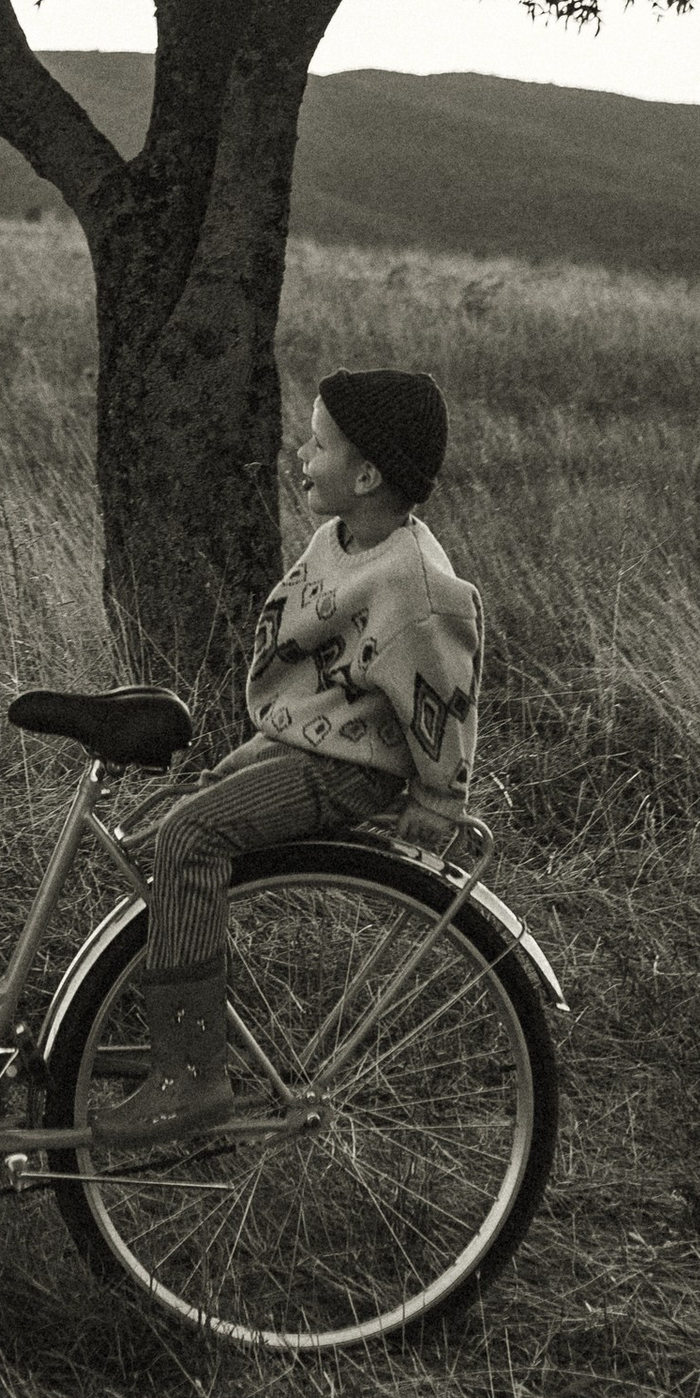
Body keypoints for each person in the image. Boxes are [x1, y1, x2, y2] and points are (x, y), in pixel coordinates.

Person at [98, 366, 482, 1149]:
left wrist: (441, 798)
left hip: (352, 770)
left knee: (191, 838)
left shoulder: (414, 582)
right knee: (170, 825)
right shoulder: (333, 541)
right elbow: (316, 673)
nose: (301, 456)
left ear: (367, 474)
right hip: (308, 748)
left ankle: (192, 1073)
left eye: (318, 445)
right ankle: (166, 1030)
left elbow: (445, 692)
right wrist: (262, 744)